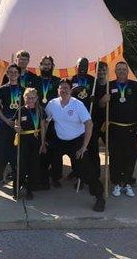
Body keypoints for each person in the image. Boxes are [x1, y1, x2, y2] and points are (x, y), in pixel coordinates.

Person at [45, 79, 105, 212]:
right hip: (59, 140)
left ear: (71, 90)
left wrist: (84, 146)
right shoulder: (52, 104)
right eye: (61, 88)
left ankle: (99, 197)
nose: (64, 90)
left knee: (84, 169)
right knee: (46, 156)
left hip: (76, 141)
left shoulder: (77, 105)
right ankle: (46, 180)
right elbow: (46, 121)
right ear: (58, 90)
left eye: (66, 88)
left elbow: (89, 124)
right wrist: (43, 140)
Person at [101, 61, 137, 197]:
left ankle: (126, 182)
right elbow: (101, 105)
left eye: (124, 69)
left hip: (130, 128)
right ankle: (116, 182)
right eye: (119, 69)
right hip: (114, 128)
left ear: (127, 71)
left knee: (131, 155)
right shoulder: (110, 86)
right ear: (115, 71)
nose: (121, 71)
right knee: (115, 156)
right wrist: (104, 99)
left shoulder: (135, 86)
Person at [0, 64, 22, 189]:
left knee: (16, 155)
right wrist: (7, 121)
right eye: (10, 72)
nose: (13, 74)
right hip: (4, 125)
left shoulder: (24, 90)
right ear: (7, 74)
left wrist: (18, 123)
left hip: (17, 126)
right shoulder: (2, 89)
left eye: (15, 72)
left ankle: (17, 179)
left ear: (19, 74)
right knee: (1, 155)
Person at [33, 55, 61, 189]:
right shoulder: (34, 81)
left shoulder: (57, 81)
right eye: (44, 64)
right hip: (37, 120)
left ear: (52, 66)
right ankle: (39, 176)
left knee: (55, 151)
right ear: (40, 66)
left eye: (48, 64)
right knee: (39, 149)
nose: (46, 66)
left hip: (53, 122)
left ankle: (55, 177)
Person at [13, 87, 47, 199]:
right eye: (28, 98)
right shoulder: (20, 110)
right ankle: (16, 189)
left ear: (37, 98)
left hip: (36, 140)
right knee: (21, 165)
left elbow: (42, 127)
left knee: (33, 166)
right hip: (23, 140)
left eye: (33, 98)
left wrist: (42, 143)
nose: (31, 100)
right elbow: (16, 125)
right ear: (24, 98)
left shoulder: (40, 110)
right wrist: (16, 128)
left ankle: (29, 189)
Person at [68, 57, 96, 180]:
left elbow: (98, 97)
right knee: (75, 147)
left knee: (89, 146)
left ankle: (90, 174)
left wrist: (94, 98)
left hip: (87, 117)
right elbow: (64, 96)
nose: (83, 68)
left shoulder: (92, 80)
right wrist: (73, 91)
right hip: (74, 118)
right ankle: (76, 171)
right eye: (81, 66)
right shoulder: (71, 80)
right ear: (76, 66)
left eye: (85, 66)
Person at [90, 61, 108, 180]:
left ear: (107, 71)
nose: (101, 72)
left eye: (103, 70)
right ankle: (94, 176)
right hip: (94, 122)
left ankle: (119, 177)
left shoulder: (111, 85)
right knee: (93, 150)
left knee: (113, 148)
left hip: (107, 122)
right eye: (99, 70)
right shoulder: (92, 85)